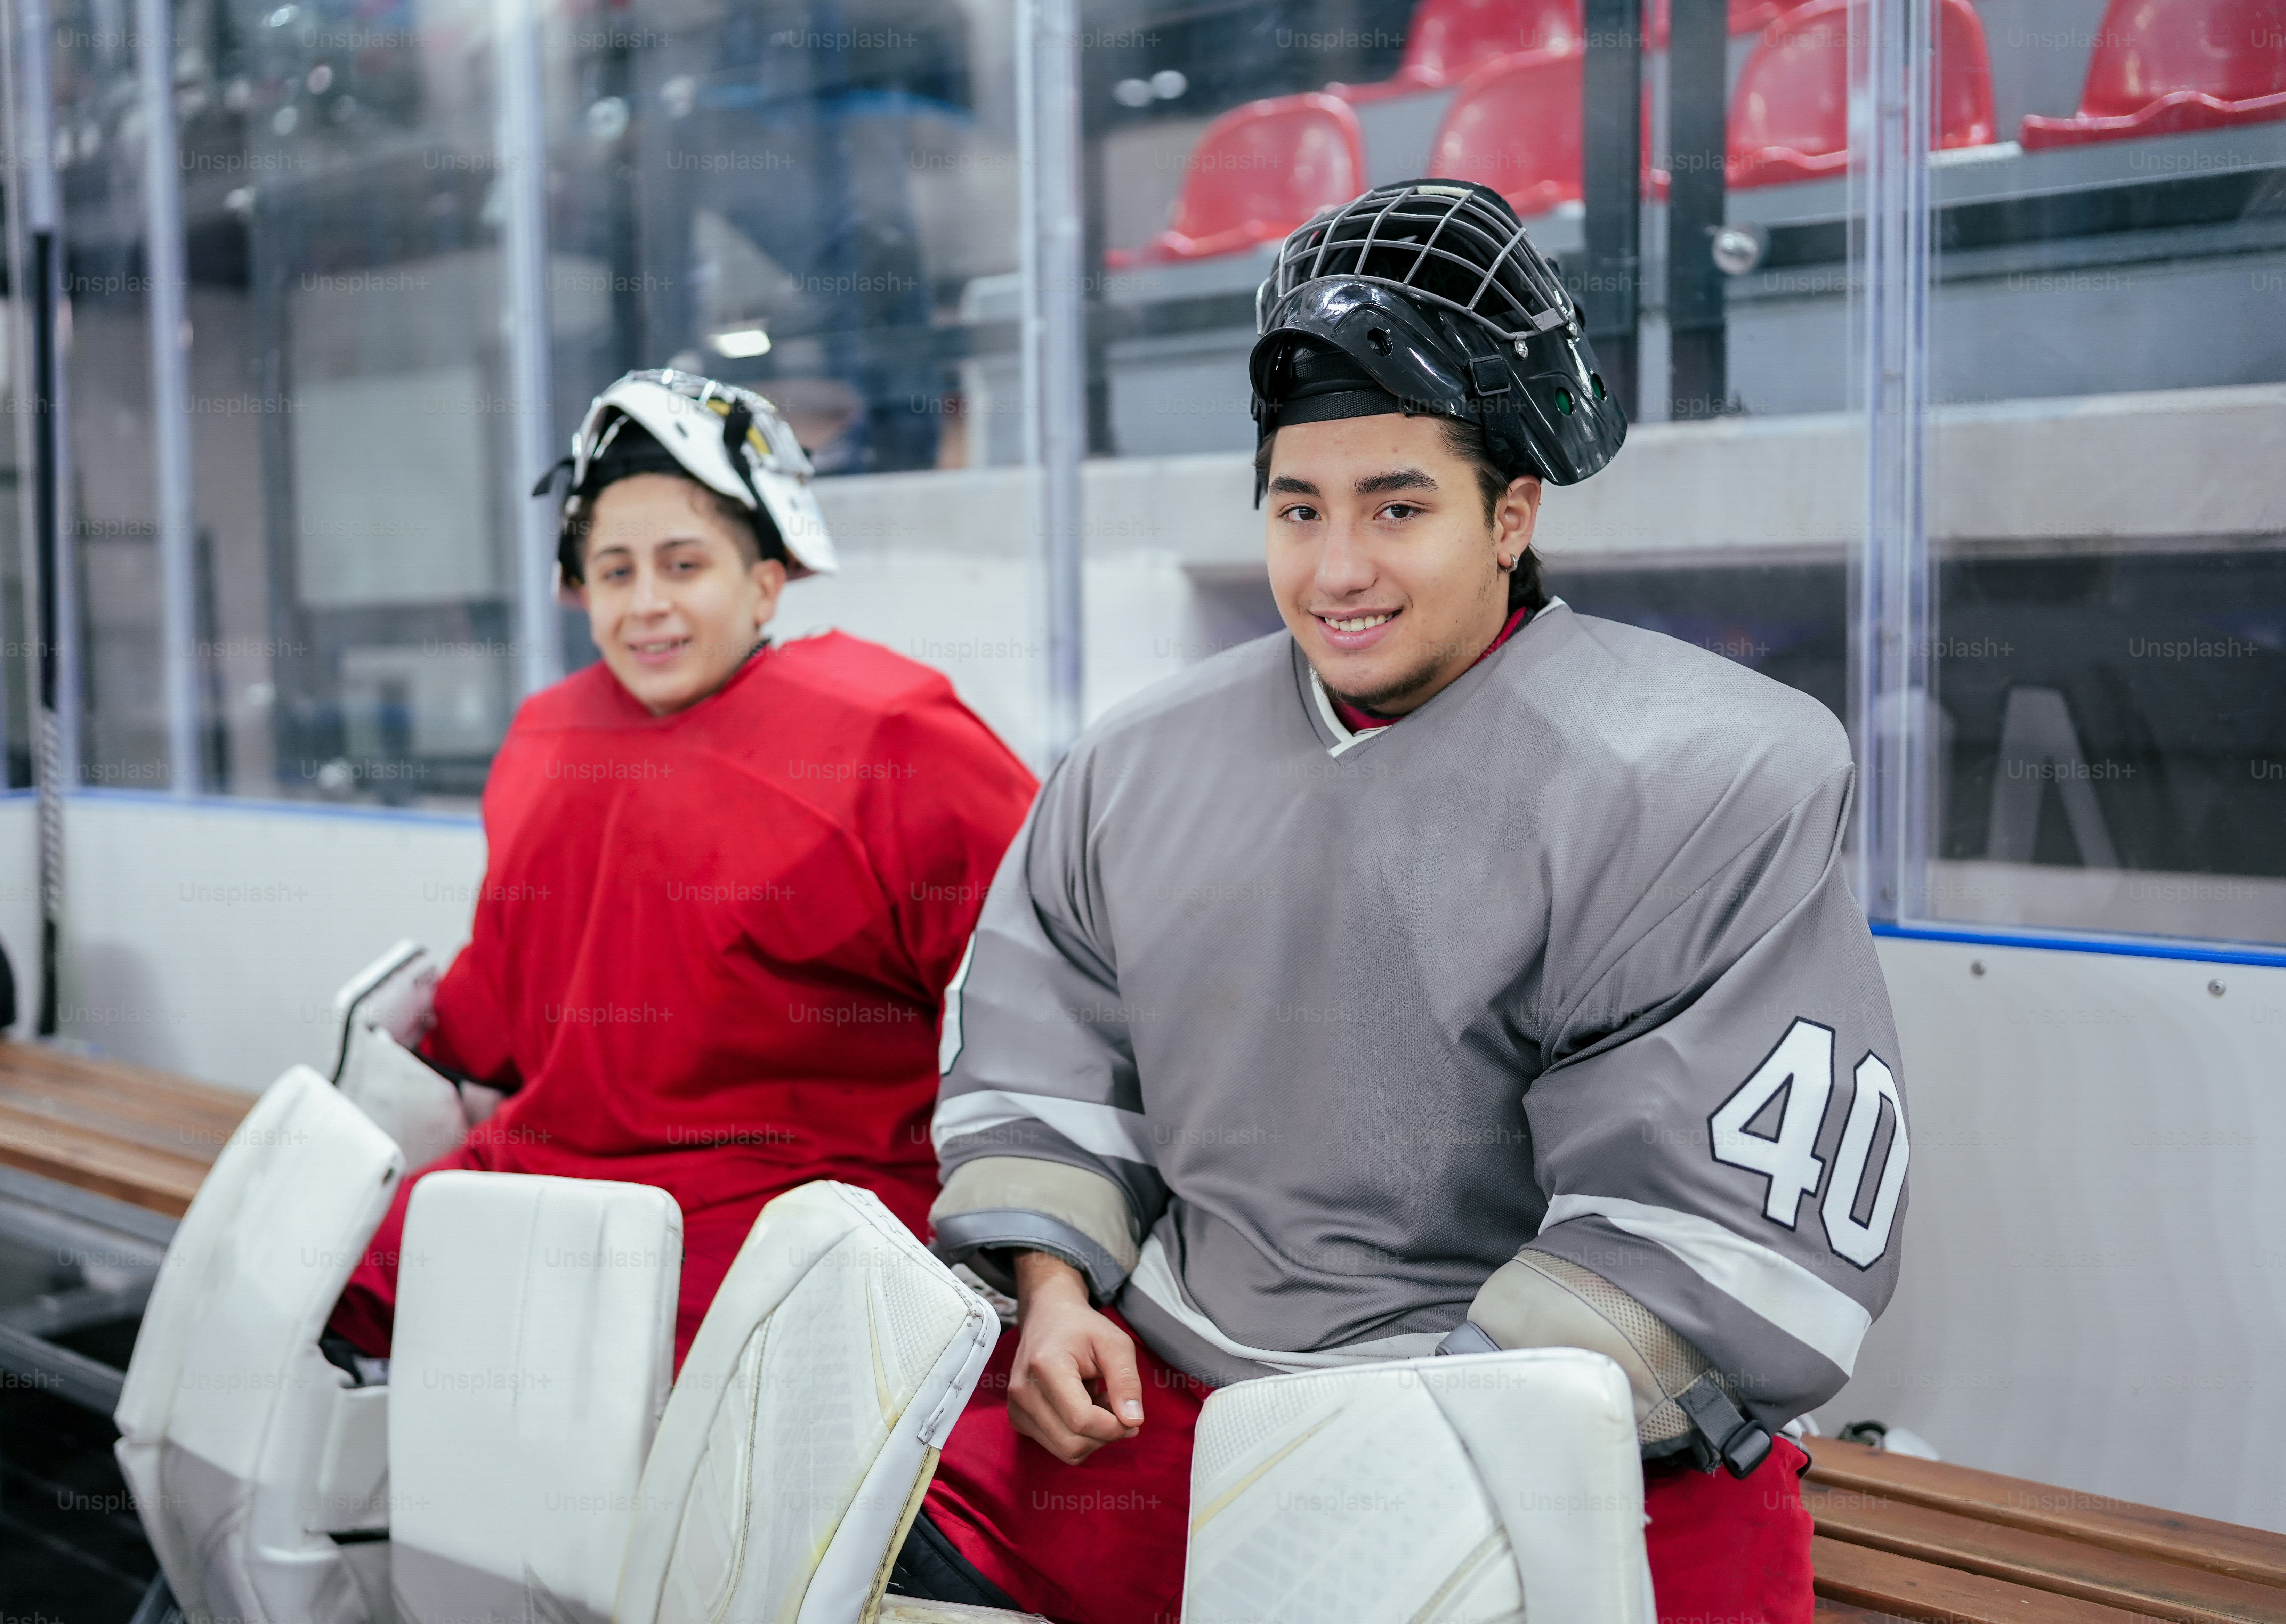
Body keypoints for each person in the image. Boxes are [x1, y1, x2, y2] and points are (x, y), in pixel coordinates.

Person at [894, 183, 1907, 1624]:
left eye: (1398, 507)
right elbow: (1047, 1040)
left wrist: (1396, 1477)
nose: (1338, 569)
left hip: (1532, 1434)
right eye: (1298, 510)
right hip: (1172, 1396)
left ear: (1512, 512)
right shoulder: (1135, 760)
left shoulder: (1707, 771)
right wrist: (1056, 1292)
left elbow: (1703, 1226)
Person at [327, 370, 1037, 1365]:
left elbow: (1046, 996)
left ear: (766, 580)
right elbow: (503, 990)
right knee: (311, 1291)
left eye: (683, 564)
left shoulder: (890, 740)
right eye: (614, 572)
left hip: (804, 1211)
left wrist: (1042, 1239)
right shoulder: (547, 736)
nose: (647, 605)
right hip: (553, 1173)